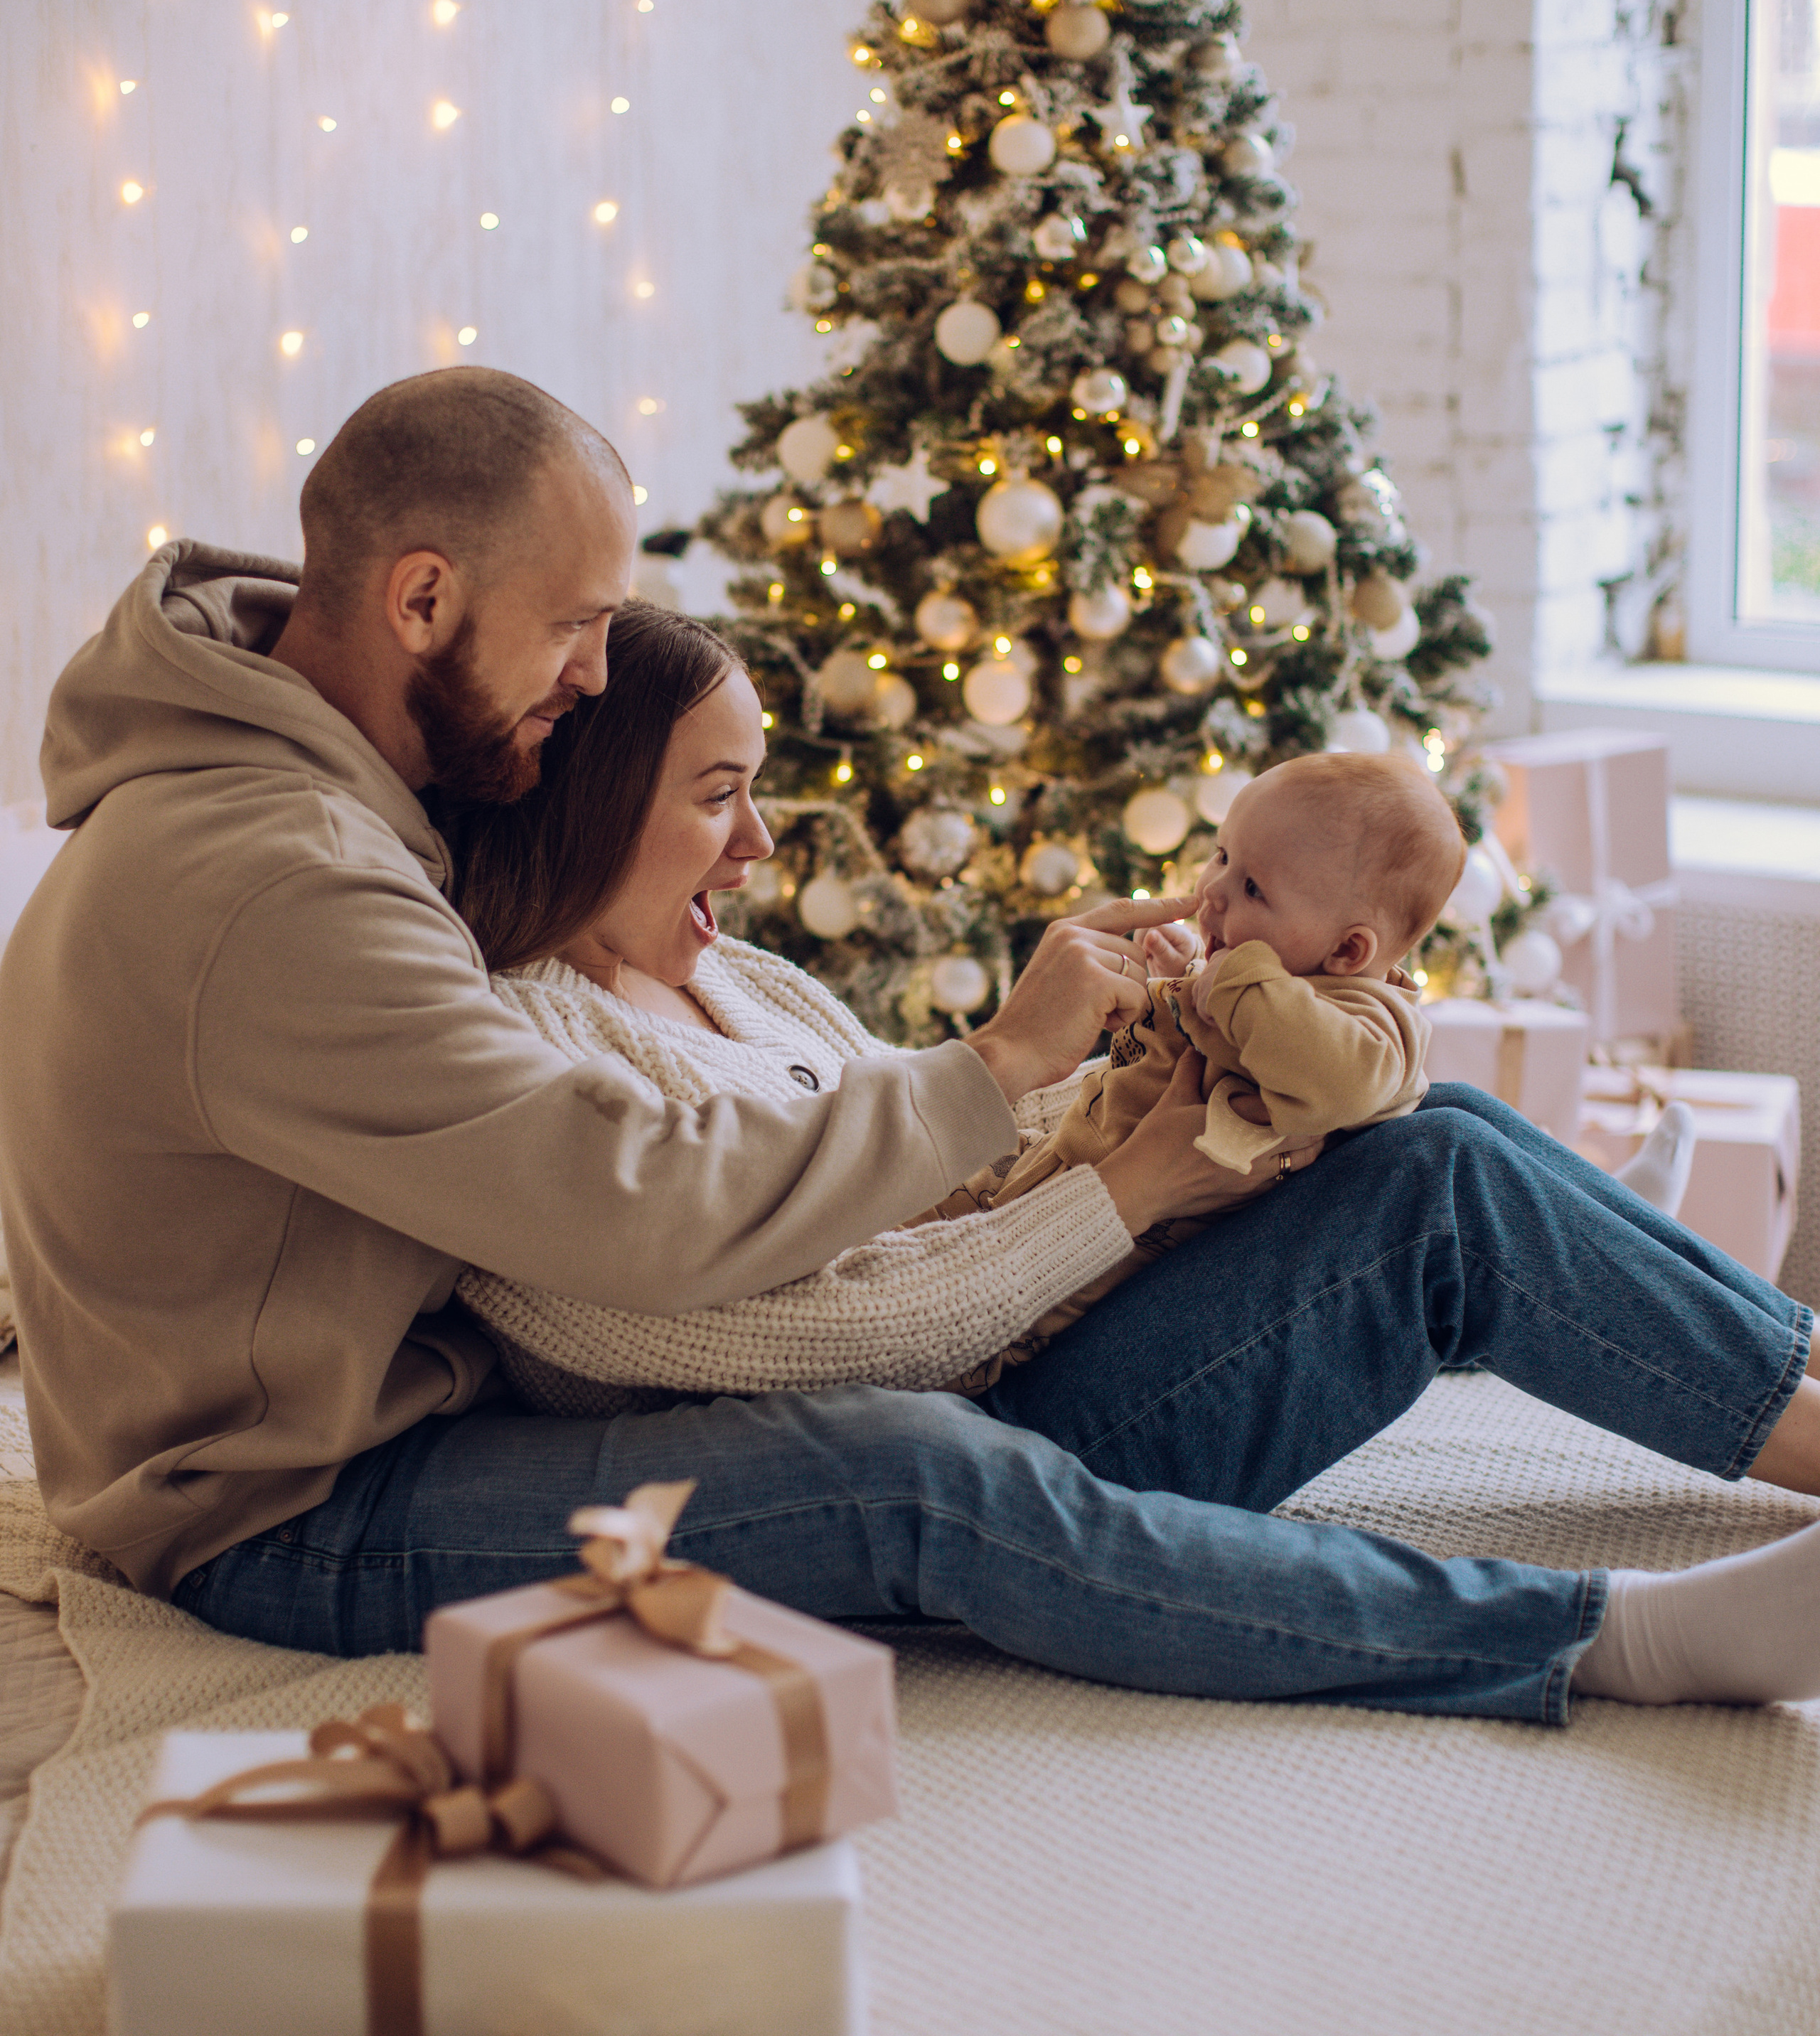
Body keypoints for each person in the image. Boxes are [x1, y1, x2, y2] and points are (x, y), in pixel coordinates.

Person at [4, 368, 1819, 1721]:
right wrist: (1045, 1109)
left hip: (488, 1388)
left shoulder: (348, 821)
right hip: (286, 1501)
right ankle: (1607, 1640)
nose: (584, 679)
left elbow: (838, 1159)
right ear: (419, 601)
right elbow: (621, 1216)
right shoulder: (289, 883)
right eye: (573, 631)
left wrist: (1102, 1115)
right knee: (902, 1467)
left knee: (1443, 1160)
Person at [449, 603, 1820, 1720]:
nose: (757, 843)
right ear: (598, 807)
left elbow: (936, 1169)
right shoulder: (522, 1054)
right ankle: (1712, 1370)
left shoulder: (740, 981)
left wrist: (1104, 1062)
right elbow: (814, 1341)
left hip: (1022, 1343)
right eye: (719, 798)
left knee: (1443, 1128)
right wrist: (1136, 1181)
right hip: (995, 1434)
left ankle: (1658, 1296)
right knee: (1442, 1190)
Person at [919, 749, 1464, 1384]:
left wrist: (1226, 978)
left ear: (1348, 950)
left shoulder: (1369, 1023)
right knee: (916, 1212)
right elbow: (1236, 1027)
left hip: (1120, 1257)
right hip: (1062, 1168)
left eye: (1253, 888)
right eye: (1223, 855)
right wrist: (1186, 975)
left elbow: (1339, 1076)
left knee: (986, 1331)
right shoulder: (1273, 984)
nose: (1211, 891)